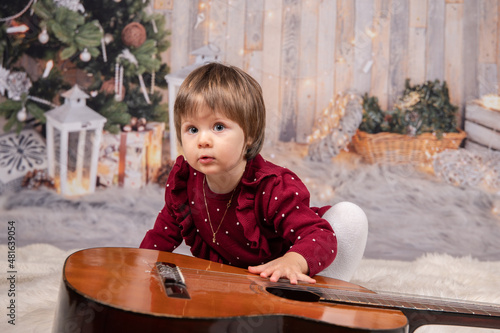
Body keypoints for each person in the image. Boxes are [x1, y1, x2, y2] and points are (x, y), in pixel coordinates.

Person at [140, 62, 368, 283]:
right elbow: (163, 234)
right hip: (246, 278)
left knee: (348, 217)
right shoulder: (186, 179)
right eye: (192, 129)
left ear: (249, 136)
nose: (203, 140)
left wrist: (293, 262)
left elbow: (319, 235)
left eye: (218, 127)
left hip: (295, 258)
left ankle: (328, 292)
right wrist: (135, 265)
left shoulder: (272, 186)